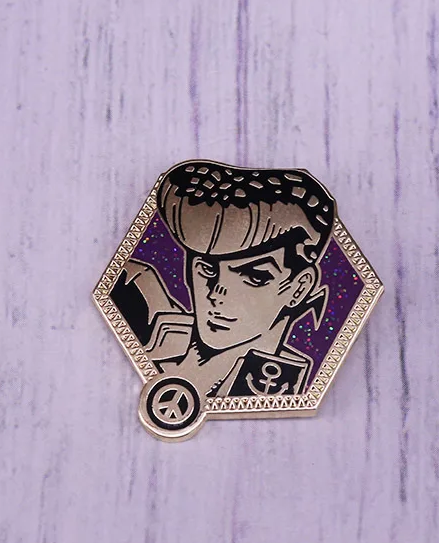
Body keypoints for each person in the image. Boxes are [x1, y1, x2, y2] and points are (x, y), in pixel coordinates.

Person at [111, 161, 335, 397]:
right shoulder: (150, 322)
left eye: (254, 276)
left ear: (299, 288)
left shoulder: (280, 385)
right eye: (207, 269)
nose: (216, 293)